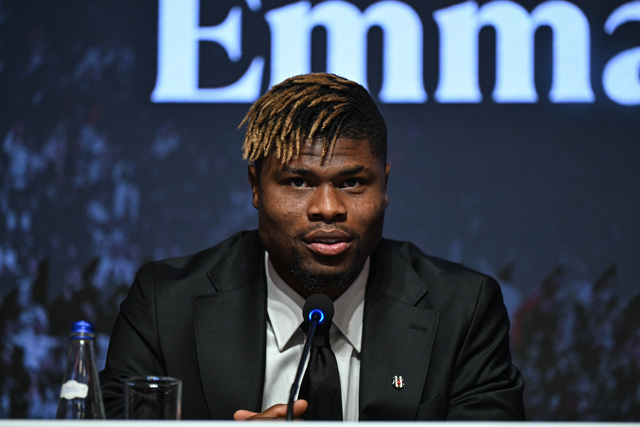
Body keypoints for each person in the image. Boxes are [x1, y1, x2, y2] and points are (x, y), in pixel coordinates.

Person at [99, 73, 525, 420]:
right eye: (299, 182)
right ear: (255, 187)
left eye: (352, 182)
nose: (328, 208)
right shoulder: (165, 305)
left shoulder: (462, 310)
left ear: (385, 186)